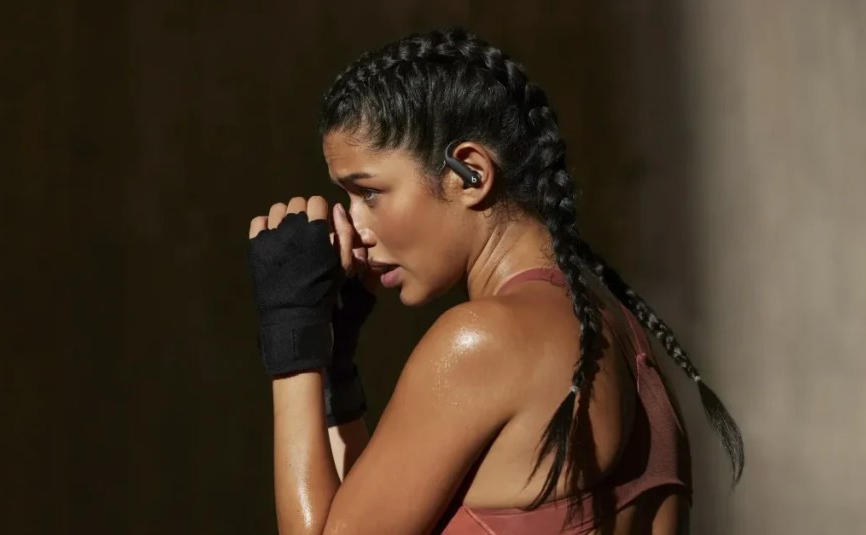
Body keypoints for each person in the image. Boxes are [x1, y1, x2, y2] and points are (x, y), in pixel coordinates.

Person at [246, 28, 743, 534]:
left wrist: (290, 331)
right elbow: (357, 515)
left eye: (369, 193)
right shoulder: (622, 334)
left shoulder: (483, 341)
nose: (356, 228)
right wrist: (334, 367)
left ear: (471, 174)